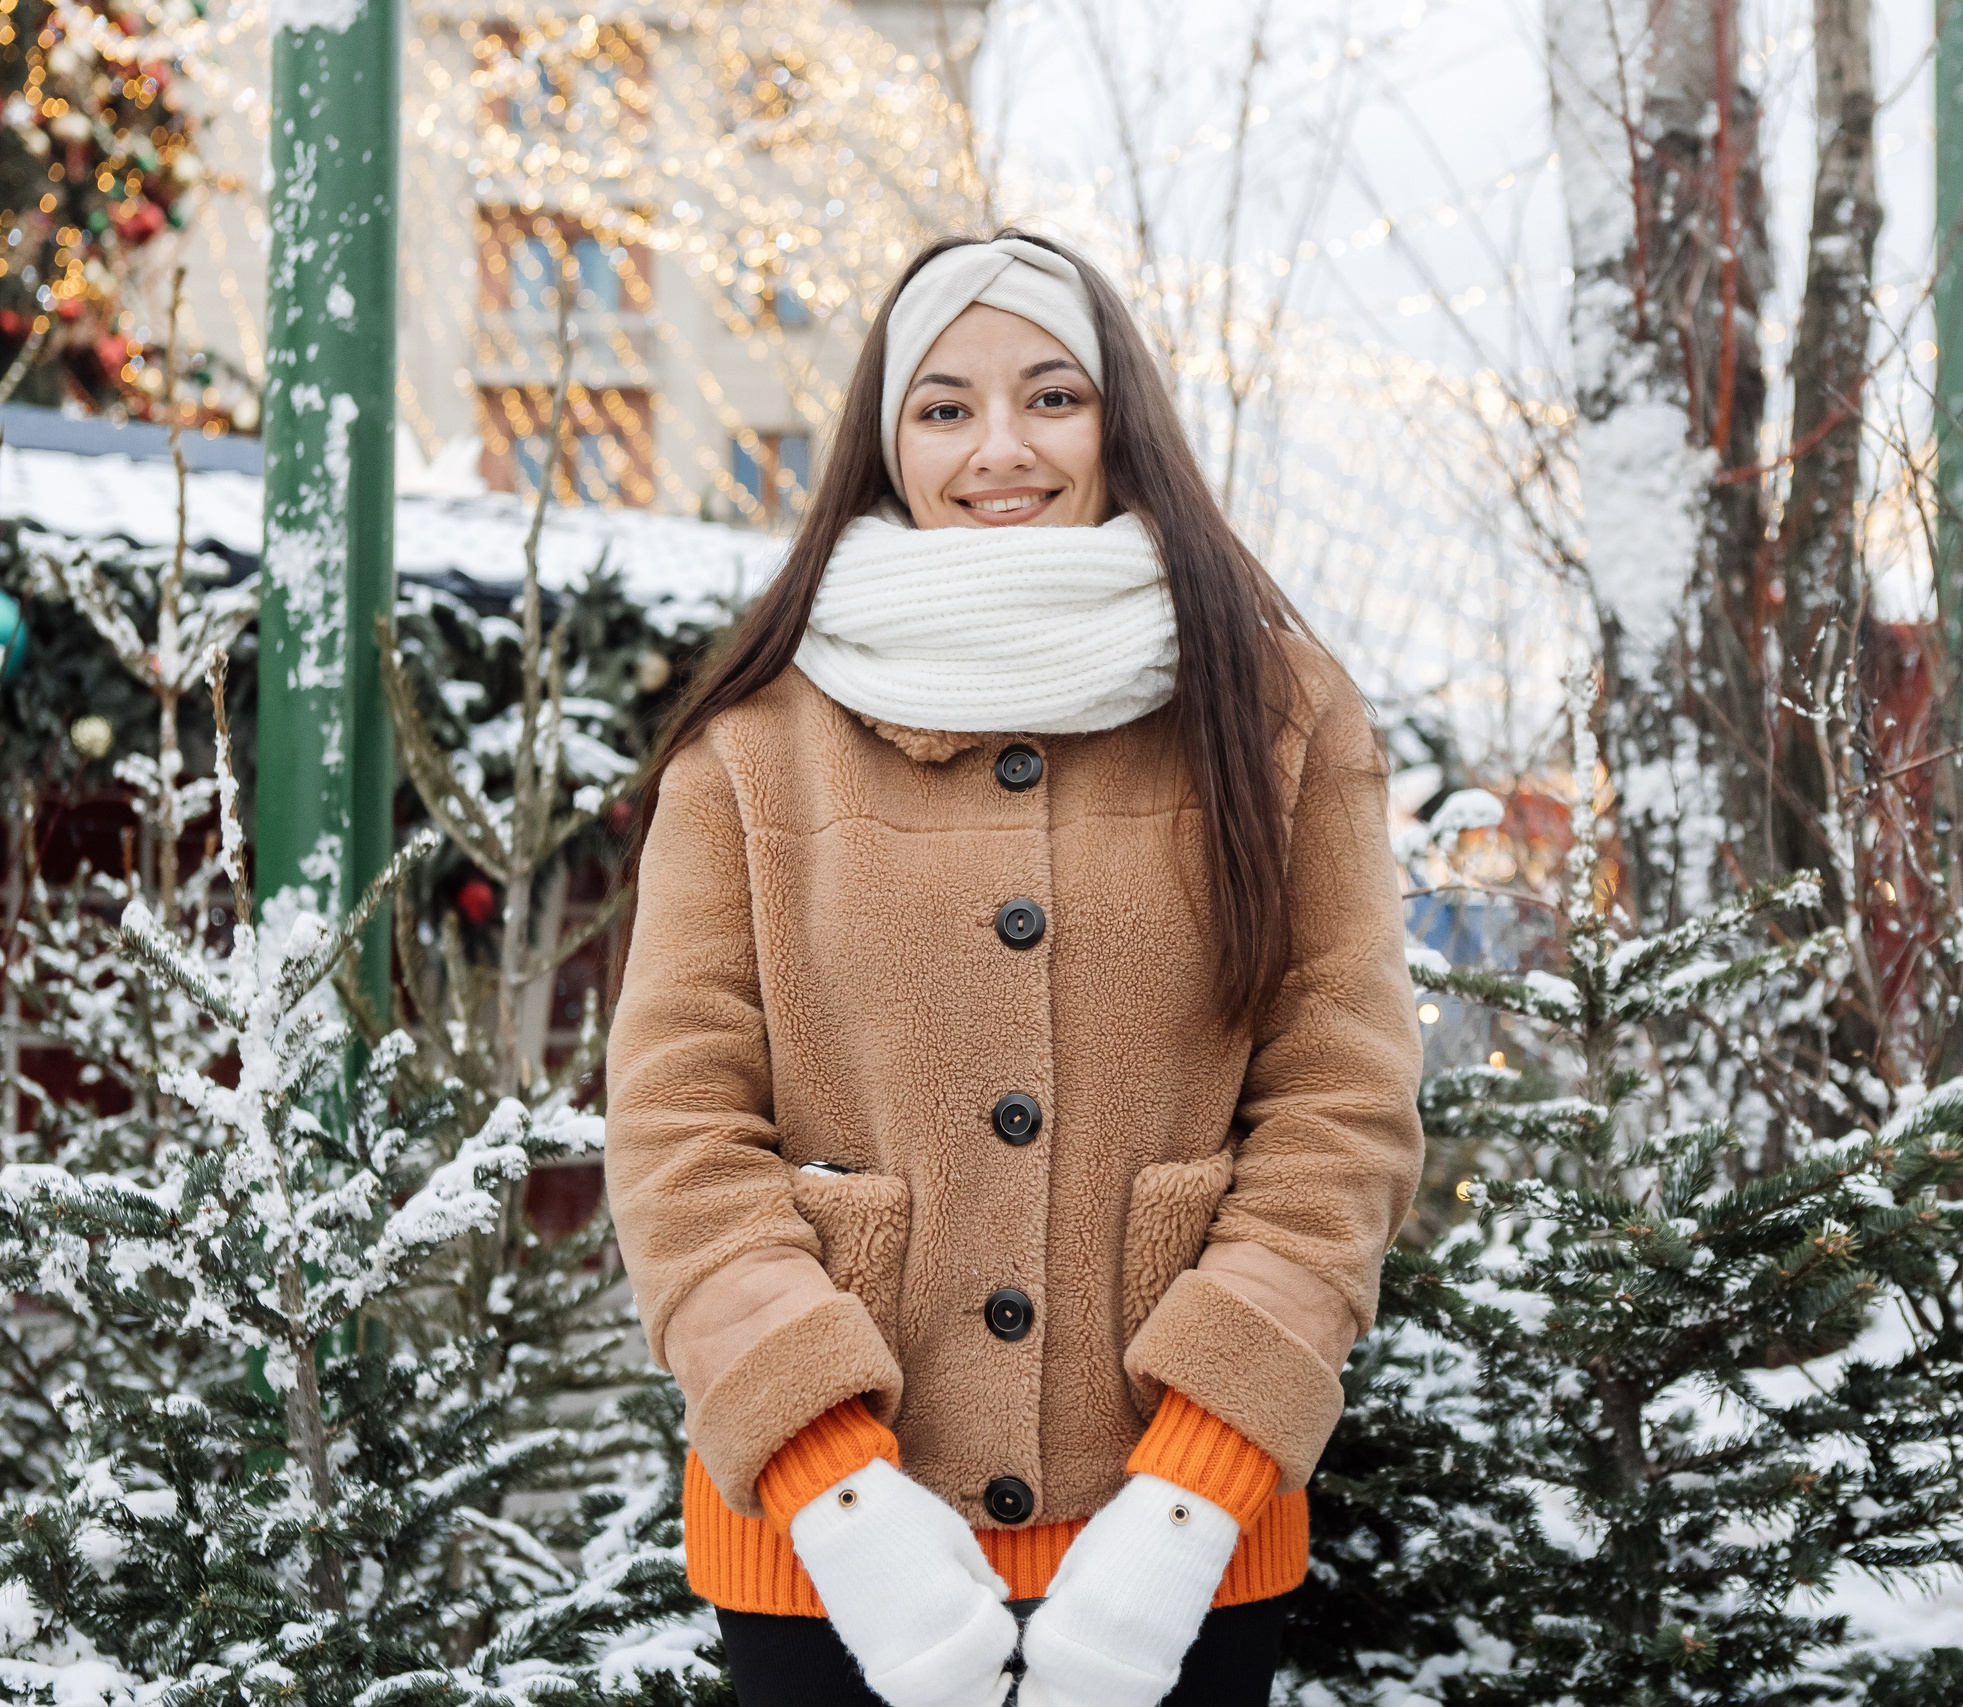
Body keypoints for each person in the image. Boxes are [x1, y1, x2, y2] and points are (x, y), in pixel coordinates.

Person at [603, 231, 1425, 1707]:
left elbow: (1340, 1112)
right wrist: (841, 1501)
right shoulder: (755, 740)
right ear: (887, 444)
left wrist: (1184, 1513)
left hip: (1179, 1545)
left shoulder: (1279, 714)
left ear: (1121, 422)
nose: (1001, 448)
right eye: (944, 407)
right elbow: (680, 1132)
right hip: (829, 1555)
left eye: (1053, 396)